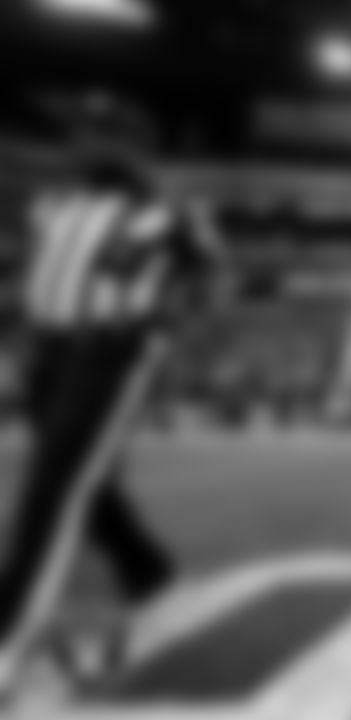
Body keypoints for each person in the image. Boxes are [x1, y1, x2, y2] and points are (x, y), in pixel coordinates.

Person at [0, 153, 224, 698]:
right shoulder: (51, 208)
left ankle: (7, 641)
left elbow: (209, 276)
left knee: (54, 493)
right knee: (87, 488)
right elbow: (33, 270)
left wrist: (168, 330)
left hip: (107, 353)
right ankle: (154, 580)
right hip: (48, 351)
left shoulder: (166, 216)